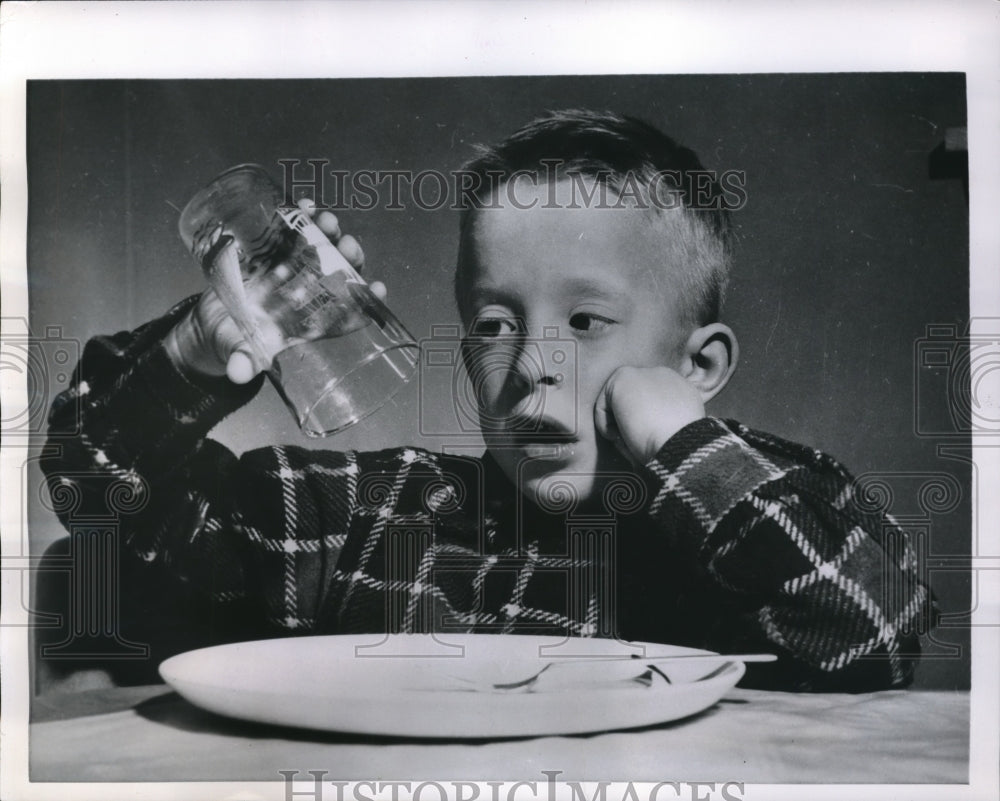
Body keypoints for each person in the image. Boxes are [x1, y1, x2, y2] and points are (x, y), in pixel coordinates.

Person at [39, 109, 932, 691]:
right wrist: (196, 352)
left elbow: (877, 630)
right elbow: (106, 495)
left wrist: (689, 449)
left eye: (585, 322)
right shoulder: (376, 515)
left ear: (698, 365)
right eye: (496, 323)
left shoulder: (770, 509)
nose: (533, 362)